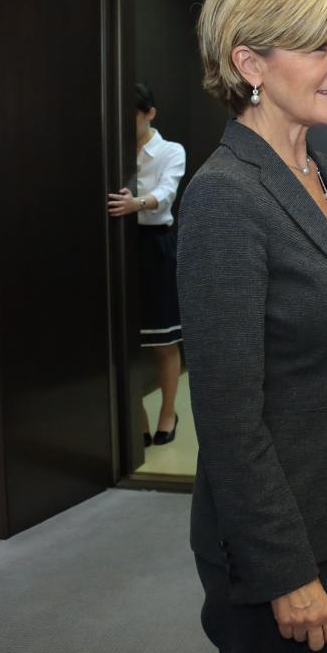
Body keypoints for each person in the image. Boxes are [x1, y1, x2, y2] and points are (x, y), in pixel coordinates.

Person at [178, 0, 327, 653]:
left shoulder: (313, 169)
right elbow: (229, 416)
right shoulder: (225, 198)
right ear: (251, 63)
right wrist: (284, 573)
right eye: (320, 48)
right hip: (276, 543)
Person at [107, 82, 186, 446]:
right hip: (118, 246)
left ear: (150, 113)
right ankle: (136, 414)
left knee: (163, 340)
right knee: (125, 340)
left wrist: (136, 204)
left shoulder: (170, 151)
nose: (125, 125)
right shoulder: (113, 148)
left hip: (155, 246)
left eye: (133, 117)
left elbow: (167, 193)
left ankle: (168, 412)